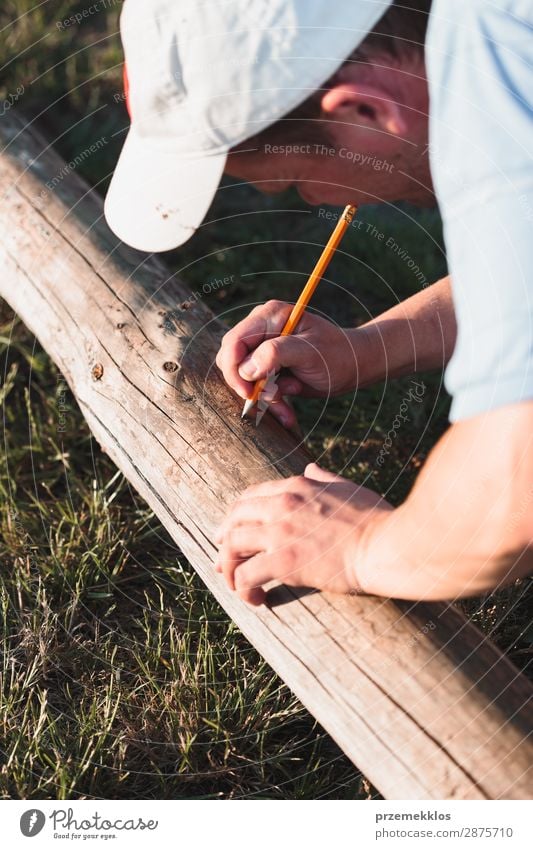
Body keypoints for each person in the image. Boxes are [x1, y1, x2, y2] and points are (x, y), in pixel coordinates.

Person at [105, 0, 533, 607]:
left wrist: (366, 547)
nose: (314, 199)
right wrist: (367, 349)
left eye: (297, 183)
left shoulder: (501, 81)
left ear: (365, 110)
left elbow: (515, 477)